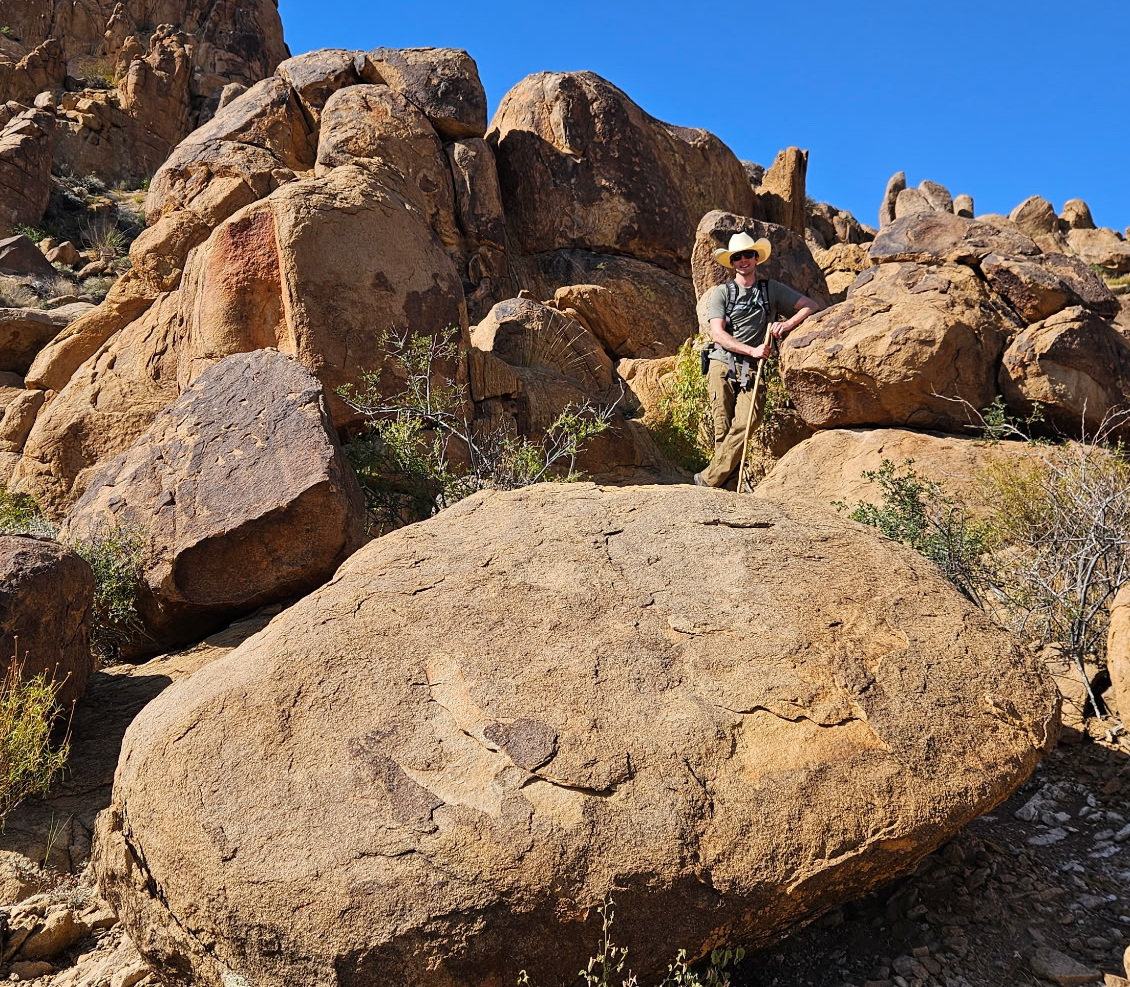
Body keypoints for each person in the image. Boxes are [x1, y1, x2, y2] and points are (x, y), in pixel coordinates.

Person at [693, 231, 822, 489]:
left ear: (756, 258)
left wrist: (786, 325)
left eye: (748, 255)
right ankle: (728, 484)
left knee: (749, 420)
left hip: (752, 368)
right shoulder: (722, 293)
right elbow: (718, 334)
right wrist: (751, 350)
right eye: (737, 257)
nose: (743, 260)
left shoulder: (771, 289)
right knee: (723, 428)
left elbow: (810, 305)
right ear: (732, 262)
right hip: (722, 363)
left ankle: (707, 479)